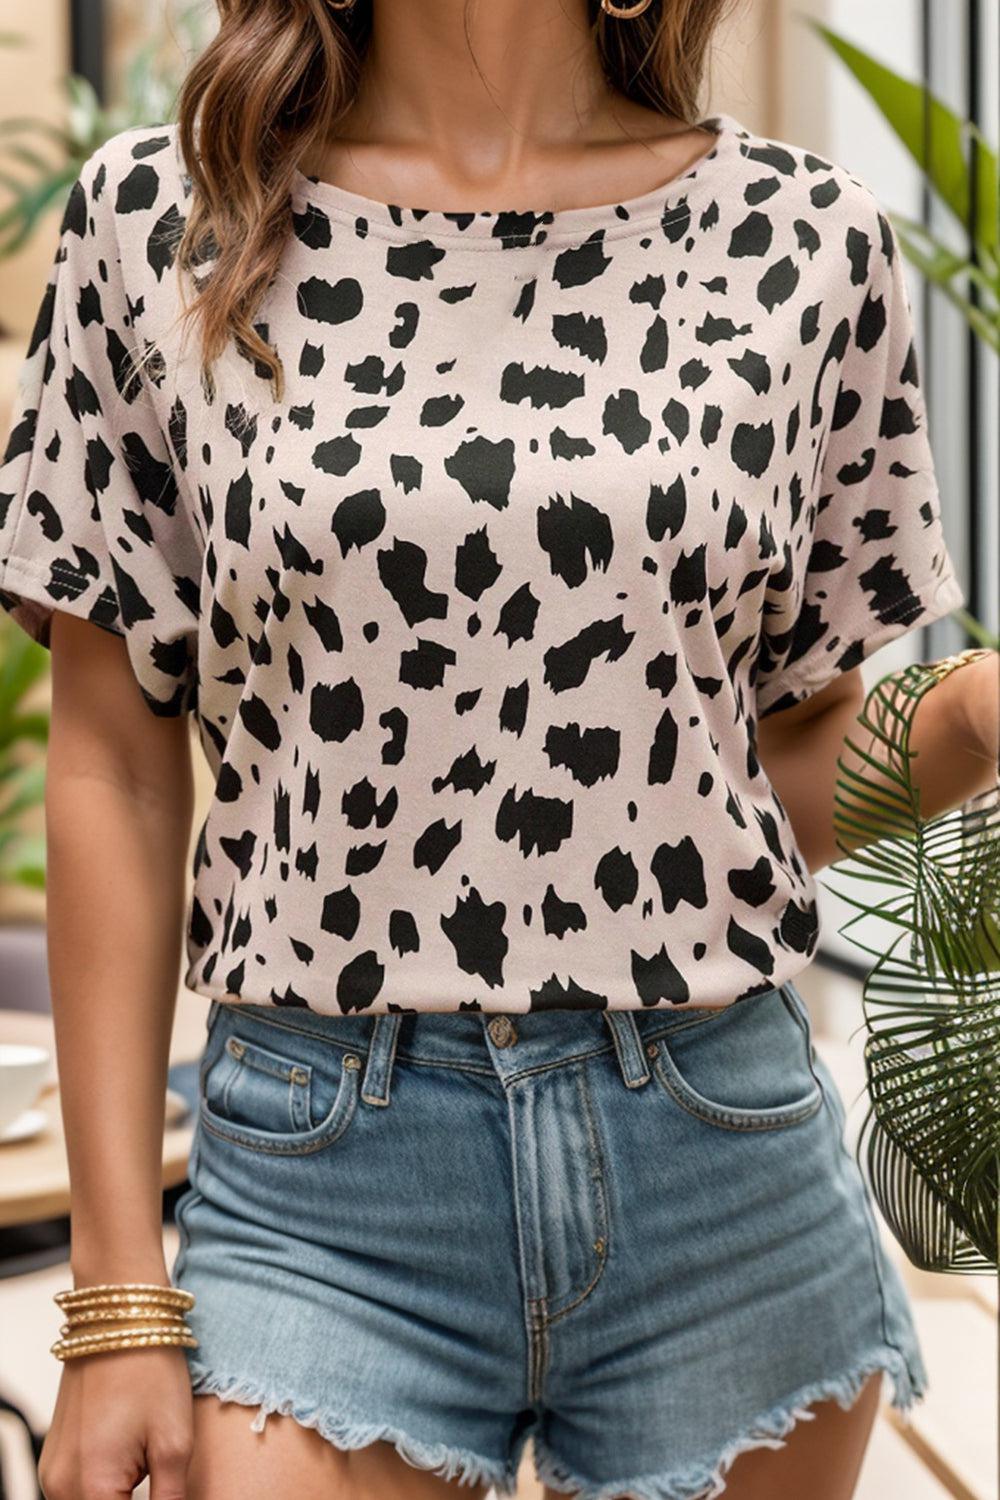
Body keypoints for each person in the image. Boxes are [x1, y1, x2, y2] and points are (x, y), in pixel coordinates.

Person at [2, 0, 997, 1496]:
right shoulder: (161, 226)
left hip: (717, 1152)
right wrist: (116, 1300)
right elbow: (117, 772)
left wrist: (982, 713)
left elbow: (775, 777)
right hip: (320, 1179)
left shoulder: (807, 241)